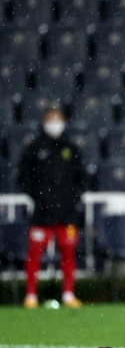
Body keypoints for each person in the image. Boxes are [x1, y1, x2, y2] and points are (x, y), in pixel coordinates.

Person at [17, 106, 88, 309]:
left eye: (58, 119)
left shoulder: (71, 149)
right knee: (34, 253)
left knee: (68, 252)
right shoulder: (34, 149)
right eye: (50, 118)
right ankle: (31, 296)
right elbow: (23, 179)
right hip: (42, 212)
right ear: (43, 122)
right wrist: (40, 198)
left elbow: (82, 179)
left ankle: (68, 294)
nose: (54, 123)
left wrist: (72, 198)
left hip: (67, 212)